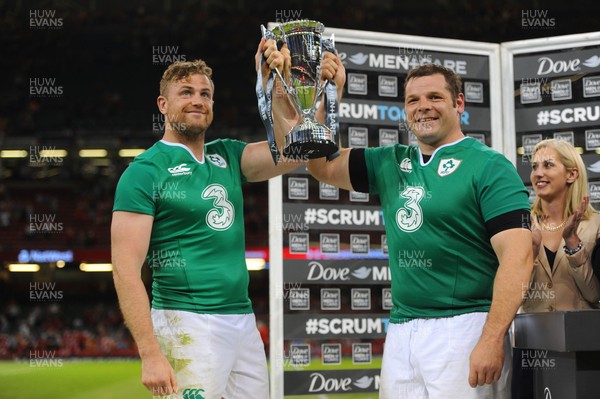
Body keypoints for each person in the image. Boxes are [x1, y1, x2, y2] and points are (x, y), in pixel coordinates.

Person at [111, 39, 341, 398]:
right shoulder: (144, 171)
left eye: (205, 93)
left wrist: (276, 83)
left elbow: (296, 151)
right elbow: (125, 270)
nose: (197, 100)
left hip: (242, 321)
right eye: (186, 92)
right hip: (185, 320)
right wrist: (151, 352)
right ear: (163, 104)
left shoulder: (228, 156)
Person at [305, 63, 533, 398]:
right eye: (412, 100)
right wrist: (331, 95)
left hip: (466, 327)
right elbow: (320, 166)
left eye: (434, 97)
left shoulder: (490, 166)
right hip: (402, 329)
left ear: (459, 104)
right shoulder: (390, 161)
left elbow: (518, 258)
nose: (422, 106)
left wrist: (491, 337)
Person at [525, 138, 600, 311]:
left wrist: (573, 243)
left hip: (582, 333)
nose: (538, 173)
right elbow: (515, 295)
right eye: (534, 166)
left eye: (548, 165)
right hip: (534, 335)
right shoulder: (522, 224)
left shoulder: (596, 225)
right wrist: (533, 253)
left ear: (571, 175)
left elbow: (594, 295)